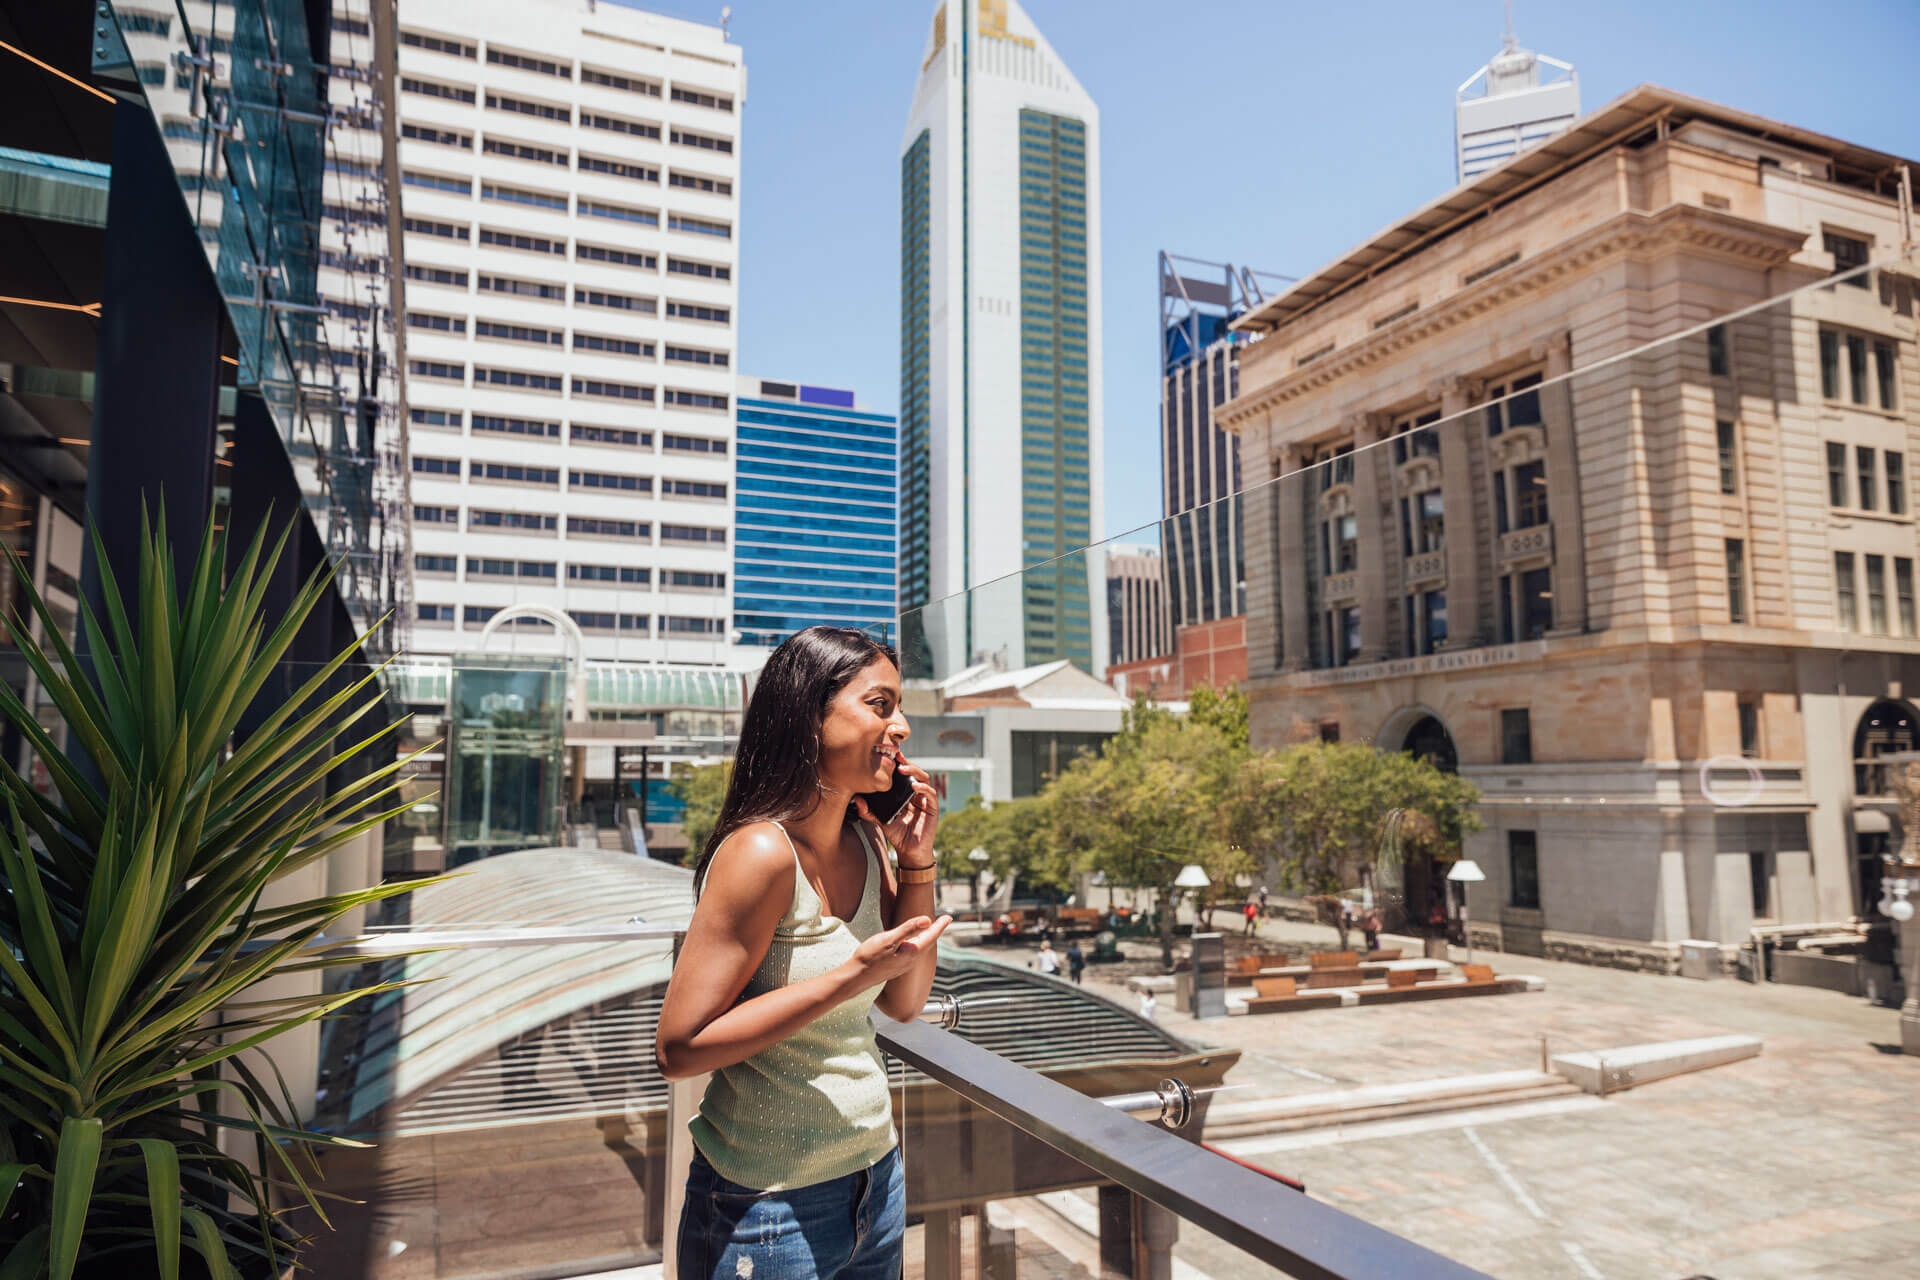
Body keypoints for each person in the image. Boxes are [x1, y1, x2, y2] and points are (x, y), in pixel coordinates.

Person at [655, 627, 952, 1280]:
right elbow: (679, 1049)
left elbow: (904, 1002)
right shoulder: (760, 853)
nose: (900, 726)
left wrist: (918, 861)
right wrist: (850, 976)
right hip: (767, 1207)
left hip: (875, 1180)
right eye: (880, 704)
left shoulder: (870, 847)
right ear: (809, 715)